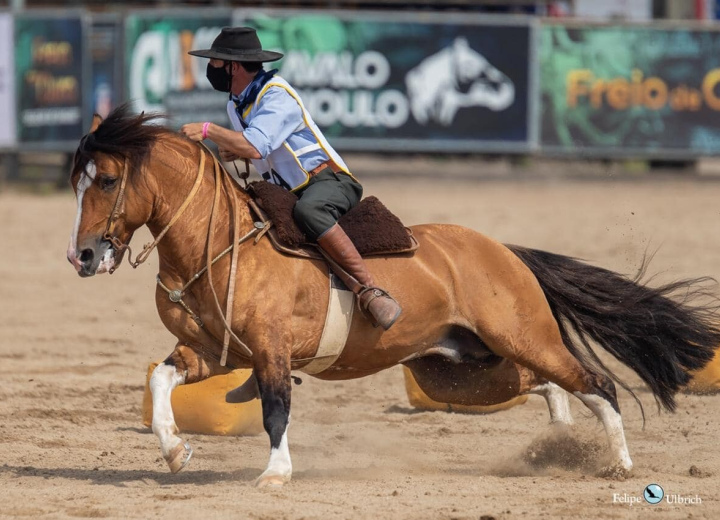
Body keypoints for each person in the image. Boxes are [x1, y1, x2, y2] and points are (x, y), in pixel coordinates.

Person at [180, 27, 401, 330]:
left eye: (215, 63)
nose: (211, 69)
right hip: (290, 190)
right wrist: (234, 148)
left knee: (309, 211)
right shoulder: (236, 103)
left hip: (329, 184)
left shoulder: (277, 96)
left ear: (233, 66)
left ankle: (369, 290)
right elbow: (256, 145)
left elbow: (256, 146)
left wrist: (209, 131)